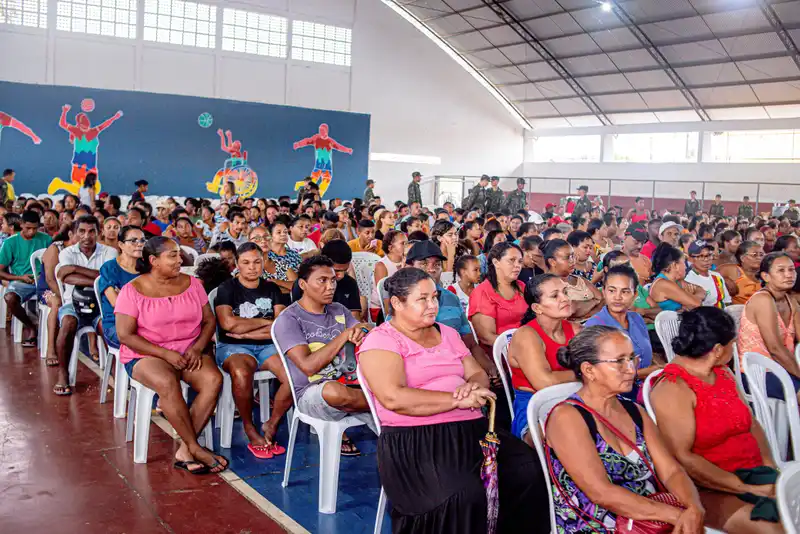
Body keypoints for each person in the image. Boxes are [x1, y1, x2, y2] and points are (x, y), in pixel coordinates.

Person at [358, 267, 550, 534]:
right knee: (465, 494)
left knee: (527, 468)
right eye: (422, 299)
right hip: (417, 441)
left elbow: (476, 373)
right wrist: (455, 400)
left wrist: (473, 386)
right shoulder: (381, 341)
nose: (432, 305)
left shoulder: (447, 334)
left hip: (473, 430)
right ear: (397, 303)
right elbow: (393, 397)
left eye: (434, 297)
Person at [545, 326, 705, 534]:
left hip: (650, 519)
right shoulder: (567, 418)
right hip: (599, 526)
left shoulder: (635, 411)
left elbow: (671, 471)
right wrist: (676, 516)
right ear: (589, 370)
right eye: (619, 361)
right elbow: (601, 493)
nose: (631, 368)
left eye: (631, 358)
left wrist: (693, 507)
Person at [651, 307, 781, 533]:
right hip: (708, 487)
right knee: (772, 528)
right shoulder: (672, 388)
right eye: (732, 342)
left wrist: (769, 465)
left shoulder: (723, 373)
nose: (735, 347)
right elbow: (683, 458)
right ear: (719, 349)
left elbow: (751, 423)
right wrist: (745, 487)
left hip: (752, 472)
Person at [115, 237, 226, 473]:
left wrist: (196, 348)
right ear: (153, 261)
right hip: (147, 353)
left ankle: (186, 449)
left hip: (188, 351)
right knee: (167, 382)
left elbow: (209, 321)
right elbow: (125, 335)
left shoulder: (193, 284)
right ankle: (195, 447)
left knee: (213, 379)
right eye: (172, 255)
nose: (180, 260)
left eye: (179, 254)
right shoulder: (131, 290)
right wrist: (165, 354)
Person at [273, 256, 374, 456]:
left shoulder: (339, 310)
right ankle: (387, 400)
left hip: (352, 388)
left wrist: (363, 328)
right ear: (303, 284)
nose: (330, 287)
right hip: (311, 394)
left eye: (333, 280)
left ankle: (385, 403)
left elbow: (365, 328)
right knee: (333, 391)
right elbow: (308, 366)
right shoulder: (289, 318)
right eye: (322, 280)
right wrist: (344, 336)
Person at [214, 242, 291, 458]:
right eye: (246, 262)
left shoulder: (272, 288)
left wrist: (247, 331)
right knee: (241, 372)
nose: (252, 267)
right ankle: (249, 427)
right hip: (232, 346)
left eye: (257, 262)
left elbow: (280, 326)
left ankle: (272, 423)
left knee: (294, 374)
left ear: (263, 263)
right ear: (237, 264)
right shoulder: (227, 288)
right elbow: (228, 325)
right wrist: (265, 323)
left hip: (267, 346)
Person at [508, 274, 580, 440]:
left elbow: (597, 367)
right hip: (534, 405)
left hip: (574, 397)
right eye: (555, 296)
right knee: (570, 431)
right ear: (537, 308)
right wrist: (585, 373)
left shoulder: (575, 330)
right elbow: (544, 382)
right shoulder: (526, 335)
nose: (565, 299)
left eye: (565, 292)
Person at [54, 216, 117, 394]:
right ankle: (62, 373)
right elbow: (65, 277)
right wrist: (99, 278)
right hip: (72, 304)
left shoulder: (110, 252)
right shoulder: (67, 253)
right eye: (81, 231)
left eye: (91, 231)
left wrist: (74, 268)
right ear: (74, 233)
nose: (86, 236)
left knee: (109, 329)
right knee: (67, 324)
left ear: (99, 232)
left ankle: (114, 372)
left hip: (99, 305)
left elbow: (109, 278)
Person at [585, 265, 661, 401]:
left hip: (644, 386)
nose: (617, 297)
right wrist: (648, 372)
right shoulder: (595, 326)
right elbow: (601, 374)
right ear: (604, 292)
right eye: (612, 291)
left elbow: (645, 355)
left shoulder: (636, 319)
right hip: (613, 395)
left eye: (625, 292)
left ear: (635, 295)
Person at [738, 252, 800, 401]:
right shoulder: (763, 300)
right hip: (759, 372)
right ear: (766, 276)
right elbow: (775, 349)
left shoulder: (790, 301)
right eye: (781, 270)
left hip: (783, 368)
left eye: (791, 270)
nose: (788, 275)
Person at [0, 209, 52, 346]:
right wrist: (20, 277)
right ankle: (30, 326)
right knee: (9, 298)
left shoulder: (46, 239)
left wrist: (44, 277)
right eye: (28, 228)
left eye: (35, 228)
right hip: (21, 282)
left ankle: (51, 334)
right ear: (21, 224)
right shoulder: (10, 243)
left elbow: (54, 264)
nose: (32, 232)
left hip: (45, 282)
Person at [469, 242, 526, 355]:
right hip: (501, 353)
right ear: (496, 262)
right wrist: (522, 347)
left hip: (525, 343)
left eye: (520, 261)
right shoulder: (483, 292)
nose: (517, 265)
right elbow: (486, 337)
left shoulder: (521, 287)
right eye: (512, 260)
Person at [291, 239, 363, 320]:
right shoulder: (305, 283)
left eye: (345, 270)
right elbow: (297, 316)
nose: (341, 276)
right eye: (336, 271)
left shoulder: (350, 283)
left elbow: (354, 319)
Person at [98, 226, 144, 351]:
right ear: (121, 245)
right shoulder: (110, 268)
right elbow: (117, 304)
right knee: (150, 341)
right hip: (117, 325)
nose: (139, 244)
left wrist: (126, 296)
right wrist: (141, 301)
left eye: (142, 240)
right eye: (133, 241)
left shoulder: (146, 268)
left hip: (144, 322)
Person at [36, 226, 76, 366]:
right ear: (70, 234)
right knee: (57, 303)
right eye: (80, 232)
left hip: (70, 288)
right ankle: (51, 349)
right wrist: (65, 296)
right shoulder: (55, 248)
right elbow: (50, 279)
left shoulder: (81, 249)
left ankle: (93, 347)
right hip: (49, 289)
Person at [542, 239, 603, 321]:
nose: (573, 261)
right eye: (567, 257)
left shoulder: (580, 279)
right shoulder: (547, 285)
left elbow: (602, 299)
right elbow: (570, 310)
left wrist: (587, 315)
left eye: (573, 256)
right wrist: (594, 301)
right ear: (552, 262)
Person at [649, 243, 704, 312]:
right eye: (683, 262)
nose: (685, 266)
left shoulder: (677, 281)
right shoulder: (663, 284)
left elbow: (701, 290)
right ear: (675, 265)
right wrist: (691, 298)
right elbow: (697, 304)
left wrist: (692, 298)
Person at [371, 229, 406, 322]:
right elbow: (384, 296)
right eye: (403, 243)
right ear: (390, 248)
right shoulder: (382, 265)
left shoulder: (406, 262)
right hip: (379, 309)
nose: (406, 246)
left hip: (399, 304)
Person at [684, 240, 731, 308]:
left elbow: (727, 301)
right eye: (700, 256)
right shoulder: (689, 280)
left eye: (708, 255)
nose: (706, 260)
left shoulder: (717, 276)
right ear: (691, 259)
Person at [718, 241, 763, 305]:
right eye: (754, 255)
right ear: (742, 258)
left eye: (761, 255)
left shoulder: (766, 273)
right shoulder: (732, 270)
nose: (759, 258)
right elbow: (709, 276)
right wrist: (724, 280)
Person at [264, 218, 301, 294]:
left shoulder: (294, 255)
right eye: (279, 232)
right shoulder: (266, 254)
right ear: (270, 236)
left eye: (285, 232)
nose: (283, 234)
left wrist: (276, 282)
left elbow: (298, 282)